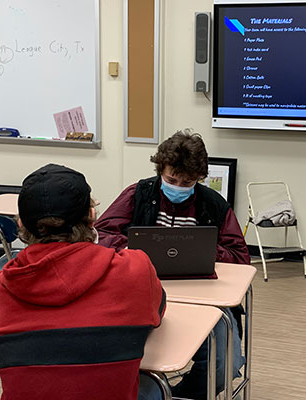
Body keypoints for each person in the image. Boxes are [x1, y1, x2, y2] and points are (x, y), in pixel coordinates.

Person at [0, 164, 166, 400]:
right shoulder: (135, 269)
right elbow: (158, 312)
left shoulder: (0, 287)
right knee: (151, 385)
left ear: (20, 225)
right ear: (92, 216)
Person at [95, 129, 250, 399]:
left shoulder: (214, 204)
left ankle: (180, 395)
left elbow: (240, 256)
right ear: (160, 170)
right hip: (139, 293)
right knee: (117, 352)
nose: (178, 186)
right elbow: (102, 234)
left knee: (228, 363)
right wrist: (133, 247)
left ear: (200, 178)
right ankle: (148, 389)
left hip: (204, 299)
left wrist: (206, 250)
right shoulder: (139, 193)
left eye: (187, 182)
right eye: (171, 179)